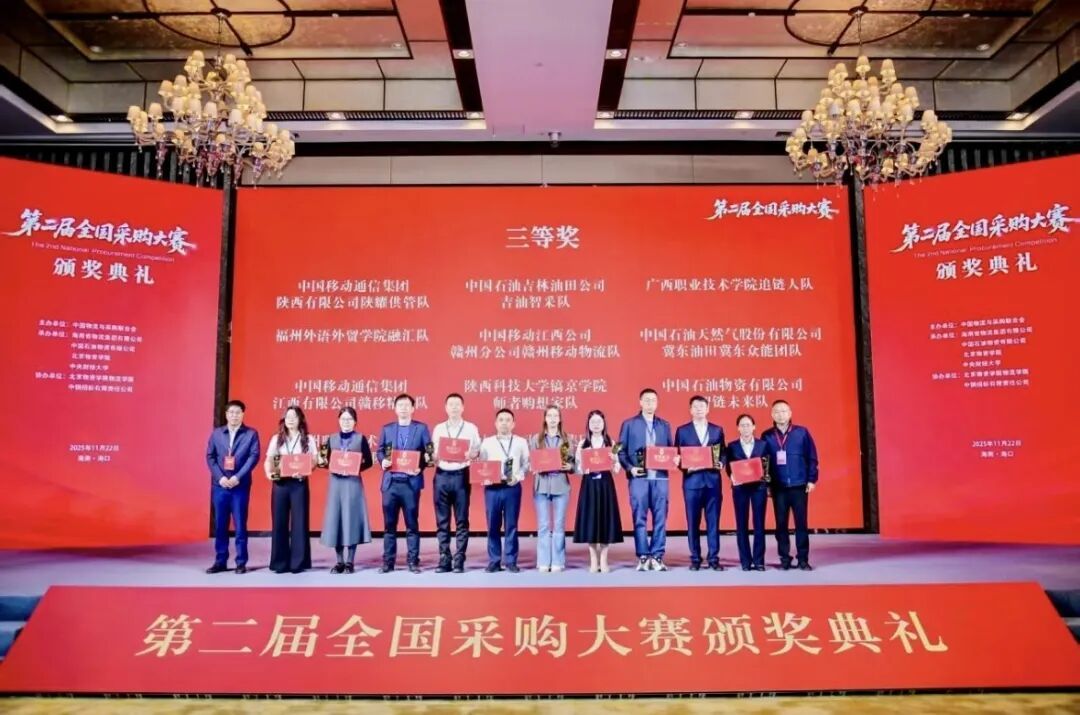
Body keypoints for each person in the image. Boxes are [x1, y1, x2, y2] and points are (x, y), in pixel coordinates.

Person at [618, 388, 676, 572]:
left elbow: (671, 450)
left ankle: (657, 556)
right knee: (639, 518)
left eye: (653, 400)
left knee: (660, 519)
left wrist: (674, 459)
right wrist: (630, 468)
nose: (650, 403)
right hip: (639, 479)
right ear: (640, 402)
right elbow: (620, 450)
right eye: (647, 400)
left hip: (660, 479)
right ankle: (643, 556)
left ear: (657, 403)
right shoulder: (629, 424)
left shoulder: (664, 425)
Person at [377, 394, 433, 574]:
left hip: (410, 483)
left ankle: (413, 561)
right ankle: (388, 562)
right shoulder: (387, 429)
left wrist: (421, 467)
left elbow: (428, 452)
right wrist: (382, 461)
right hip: (391, 483)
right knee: (389, 526)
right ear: (395, 408)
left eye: (407, 405)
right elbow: (380, 451)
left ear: (413, 408)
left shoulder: (421, 428)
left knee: (412, 525)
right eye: (400, 405)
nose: (403, 408)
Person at [761, 400, 819, 571]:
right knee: (781, 525)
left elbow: (812, 457)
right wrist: (767, 484)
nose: (781, 415)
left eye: (784, 411)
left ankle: (803, 559)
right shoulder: (767, 436)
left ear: (790, 413)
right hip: (778, 487)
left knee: (801, 524)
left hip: (799, 485)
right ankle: (784, 558)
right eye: (777, 412)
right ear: (772, 414)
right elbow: (764, 463)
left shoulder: (802, 433)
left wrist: (811, 479)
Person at [205, 399, 260, 574]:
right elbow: (210, 457)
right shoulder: (217, 434)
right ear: (226, 415)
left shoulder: (251, 434)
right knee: (220, 525)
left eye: (238, 412)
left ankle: (241, 562)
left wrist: (237, 477)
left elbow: (253, 457)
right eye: (231, 412)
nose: (234, 415)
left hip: (240, 486)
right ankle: (220, 561)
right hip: (220, 486)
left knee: (240, 525)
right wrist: (220, 477)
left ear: (243, 414)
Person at [262, 405, 317, 574]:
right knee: (279, 522)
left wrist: (307, 469)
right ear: (284, 420)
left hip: (299, 484)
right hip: (280, 484)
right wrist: (269, 473)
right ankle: (280, 563)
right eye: (288, 417)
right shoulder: (276, 439)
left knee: (300, 522)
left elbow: (314, 460)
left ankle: (298, 562)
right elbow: (269, 460)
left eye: (294, 417)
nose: (290, 420)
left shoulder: (308, 439)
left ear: (300, 419)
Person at [674, 395, 726, 571]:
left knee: (713, 522)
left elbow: (723, 452)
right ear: (690, 410)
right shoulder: (682, 431)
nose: (699, 410)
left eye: (702, 406)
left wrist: (721, 463)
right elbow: (677, 455)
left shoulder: (717, 430)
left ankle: (713, 559)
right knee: (692, 522)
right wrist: (684, 467)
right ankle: (695, 558)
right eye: (695, 407)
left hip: (712, 482)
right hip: (692, 482)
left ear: (708, 409)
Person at [431, 393, 482, 573]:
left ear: (463, 407)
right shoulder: (439, 428)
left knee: (462, 520)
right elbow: (433, 454)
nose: (454, 407)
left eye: (457, 404)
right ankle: (444, 558)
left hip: (461, 475)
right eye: (451, 404)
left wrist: (472, 454)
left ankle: (459, 559)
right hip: (442, 475)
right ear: (446, 408)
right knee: (442, 521)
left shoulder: (471, 428)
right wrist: (433, 456)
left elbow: (477, 451)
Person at [321, 406, 374, 574]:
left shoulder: (360, 439)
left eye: (349, 419)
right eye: (343, 419)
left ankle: (350, 561)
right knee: (336, 520)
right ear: (338, 420)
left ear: (355, 422)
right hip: (336, 484)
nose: (346, 422)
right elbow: (325, 461)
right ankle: (339, 561)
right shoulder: (331, 439)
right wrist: (327, 464)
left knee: (351, 520)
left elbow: (369, 462)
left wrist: (355, 468)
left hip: (352, 484)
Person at [479, 408, 529, 573]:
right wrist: (484, 477)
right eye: (501, 420)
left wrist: (518, 476)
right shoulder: (487, 442)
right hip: (492, 489)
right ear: (495, 423)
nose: (504, 423)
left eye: (508, 420)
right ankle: (494, 561)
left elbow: (526, 464)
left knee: (511, 525)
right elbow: (481, 465)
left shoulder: (521, 442)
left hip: (512, 487)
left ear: (513, 424)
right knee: (492, 525)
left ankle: (511, 561)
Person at [573, 410, 624, 573]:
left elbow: (617, 468)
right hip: (589, 485)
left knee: (605, 520)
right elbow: (578, 468)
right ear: (588, 425)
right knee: (591, 520)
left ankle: (604, 558)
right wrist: (584, 467)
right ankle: (593, 559)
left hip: (605, 485)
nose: (596, 424)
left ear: (604, 424)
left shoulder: (611, 443)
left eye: (599, 421)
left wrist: (613, 460)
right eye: (593, 422)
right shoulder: (582, 444)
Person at [529, 405, 574, 573]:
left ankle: (558, 561)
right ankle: (543, 561)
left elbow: (574, 464)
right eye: (550, 416)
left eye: (556, 416)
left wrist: (569, 466)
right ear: (545, 419)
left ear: (560, 419)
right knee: (543, 525)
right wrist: (536, 466)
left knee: (559, 525)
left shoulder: (567, 439)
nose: (553, 419)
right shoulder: (536, 439)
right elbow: (531, 461)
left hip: (561, 485)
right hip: (541, 485)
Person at [724, 414, 769, 571]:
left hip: (759, 488)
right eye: (742, 425)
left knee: (759, 524)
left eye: (748, 425)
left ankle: (759, 561)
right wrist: (732, 476)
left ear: (754, 427)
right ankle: (745, 561)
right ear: (738, 428)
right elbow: (728, 467)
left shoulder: (763, 444)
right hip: (740, 489)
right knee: (741, 524)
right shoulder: (732, 446)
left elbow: (767, 465)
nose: (745, 428)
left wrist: (766, 479)